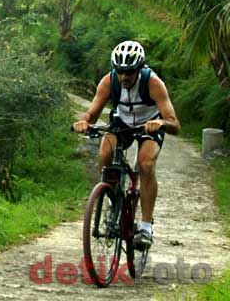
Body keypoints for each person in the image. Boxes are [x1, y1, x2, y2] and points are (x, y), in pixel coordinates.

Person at [73, 40, 180, 248]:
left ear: (139, 69)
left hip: (149, 126)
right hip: (121, 123)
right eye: (119, 71)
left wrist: (160, 122)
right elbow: (92, 113)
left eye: (129, 72)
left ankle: (146, 228)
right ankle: (113, 202)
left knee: (145, 164)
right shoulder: (108, 81)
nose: (123, 77)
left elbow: (175, 123)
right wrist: (84, 122)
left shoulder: (153, 83)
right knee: (104, 154)